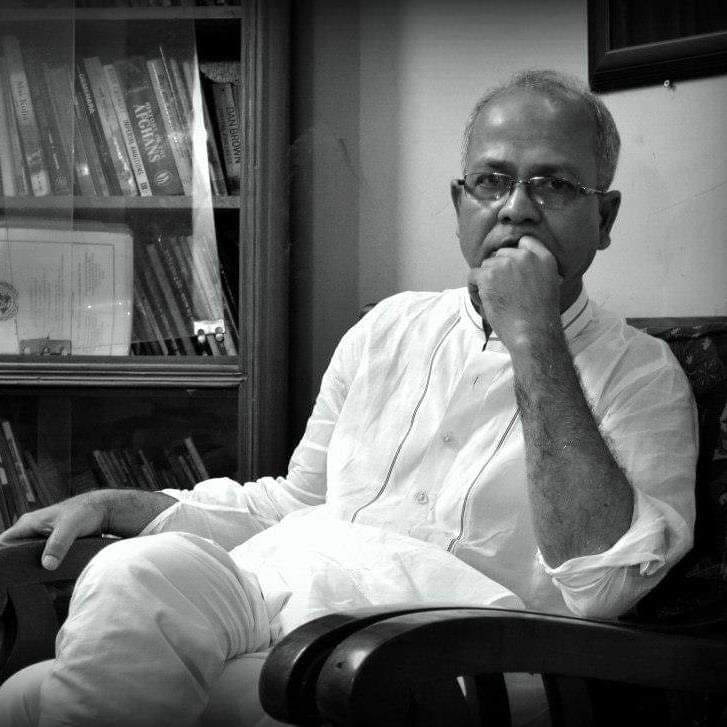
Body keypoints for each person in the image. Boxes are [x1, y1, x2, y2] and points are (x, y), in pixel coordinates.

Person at [0, 69, 697, 726]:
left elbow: (605, 587)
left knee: (55, 694)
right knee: (132, 573)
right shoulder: (387, 327)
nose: (516, 207)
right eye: (491, 181)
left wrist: (535, 337)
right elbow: (301, 502)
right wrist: (126, 505)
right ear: (460, 203)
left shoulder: (643, 373)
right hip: (277, 595)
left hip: (452, 654)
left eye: (554, 185)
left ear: (604, 217)